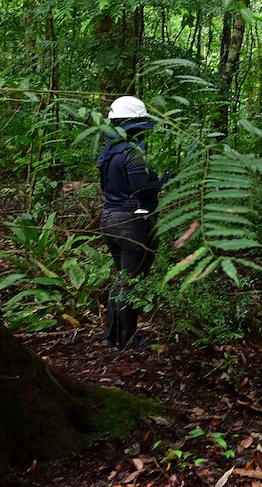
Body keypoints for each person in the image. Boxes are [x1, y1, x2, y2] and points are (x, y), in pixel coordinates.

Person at [97, 96, 164, 349]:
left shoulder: (109, 150)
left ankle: (112, 337)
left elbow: (108, 186)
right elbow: (140, 188)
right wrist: (165, 181)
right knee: (131, 281)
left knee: (122, 278)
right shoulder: (133, 150)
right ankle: (126, 339)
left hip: (110, 219)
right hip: (131, 222)